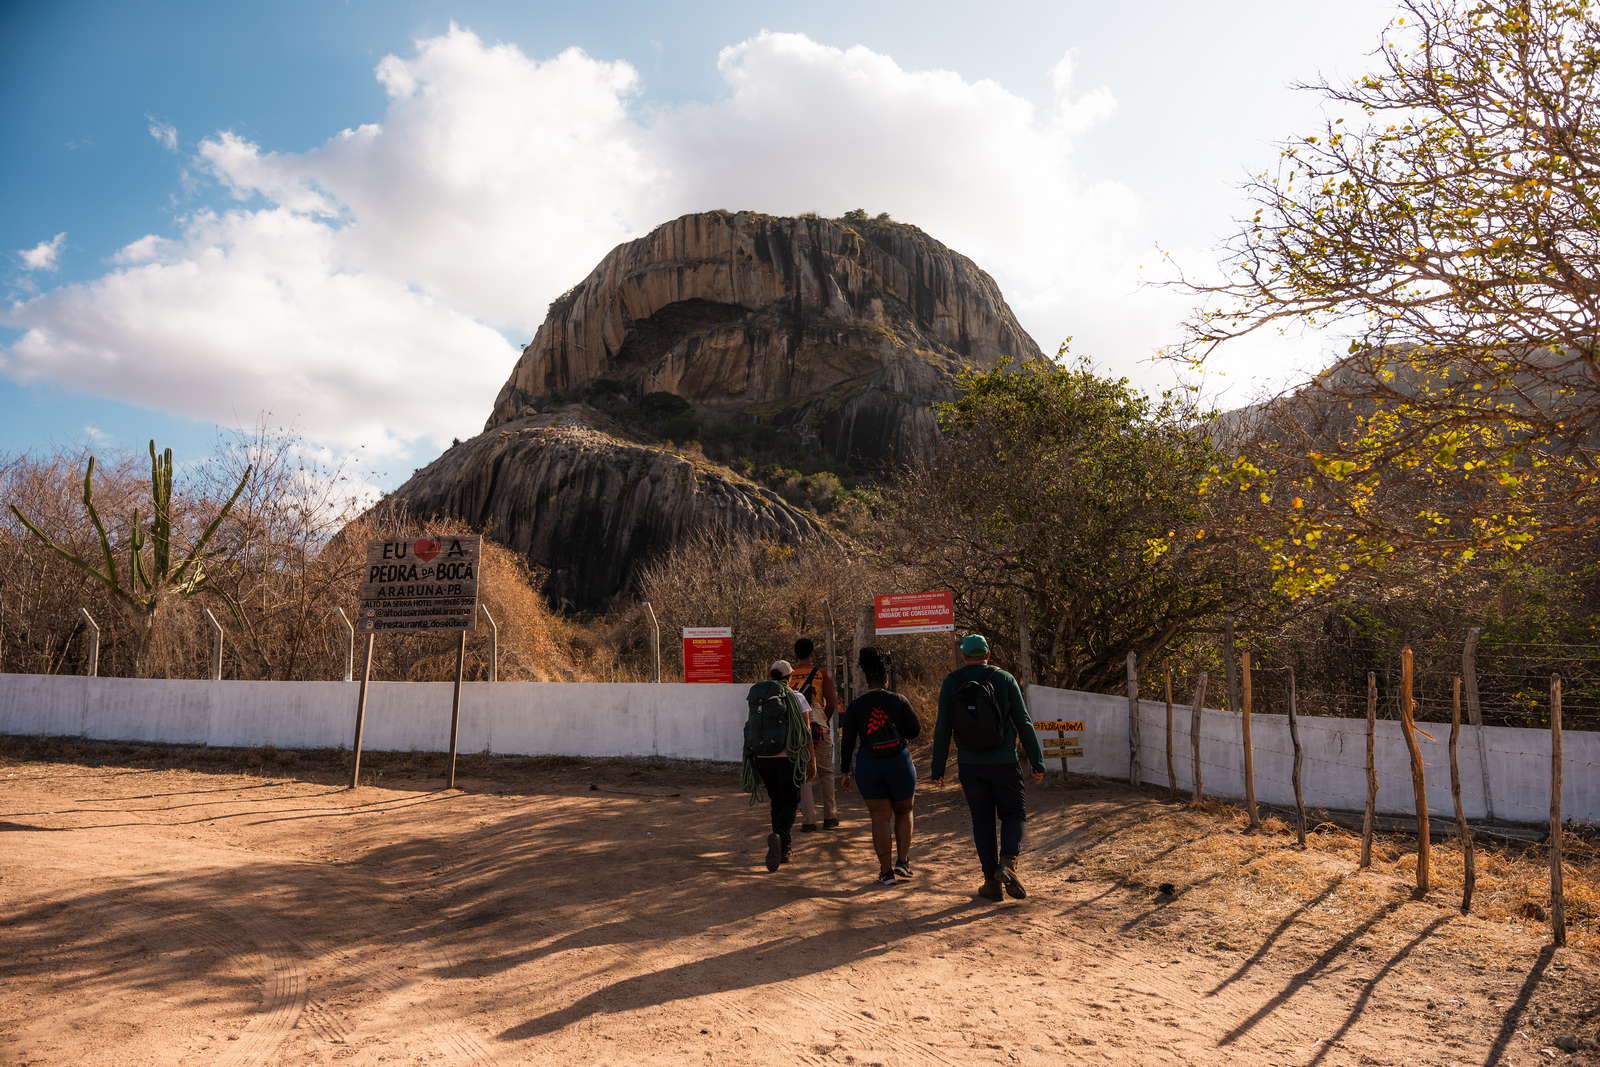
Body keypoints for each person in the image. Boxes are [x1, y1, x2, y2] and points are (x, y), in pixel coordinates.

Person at [930, 634, 1046, 902]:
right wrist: (1036, 761)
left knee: (982, 822)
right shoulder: (1004, 679)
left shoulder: (952, 682)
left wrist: (937, 769)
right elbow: (1023, 721)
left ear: (963, 656)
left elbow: (943, 727)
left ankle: (990, 883)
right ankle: (1008, 863)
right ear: (988, 654)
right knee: (1014, 814)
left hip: (970, 765)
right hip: (1004, 762)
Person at [838, 646, 921, 885]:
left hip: (870, 764)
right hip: (899, 762)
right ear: (886, 678)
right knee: (904, 811)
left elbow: (848, 741)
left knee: (879, 817)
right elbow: (914, 731)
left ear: (866, 679)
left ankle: (886, 872)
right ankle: (903, 862)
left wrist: (845, 771)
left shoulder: (856, 705)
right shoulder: (899, 700)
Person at [742, 659, 815, 871]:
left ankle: (778, 838)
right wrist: (811, 760)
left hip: (763, 758)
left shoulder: (759, 697)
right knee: (791, 801)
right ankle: (783, 843)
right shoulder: (796, 697)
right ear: (789, 677)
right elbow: (806, 732)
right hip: (787, 758)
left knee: (776, 801)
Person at [789, 637, 842, 831]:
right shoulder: (821, 675)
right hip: (819, 728)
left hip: (798, 730)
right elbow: (832, 703)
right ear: (812, 653)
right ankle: (830, 816)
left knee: (804, 775)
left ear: (796, 654)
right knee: (826, 773)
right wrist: (823, 721)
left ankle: (809, 821)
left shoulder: (790, 676)